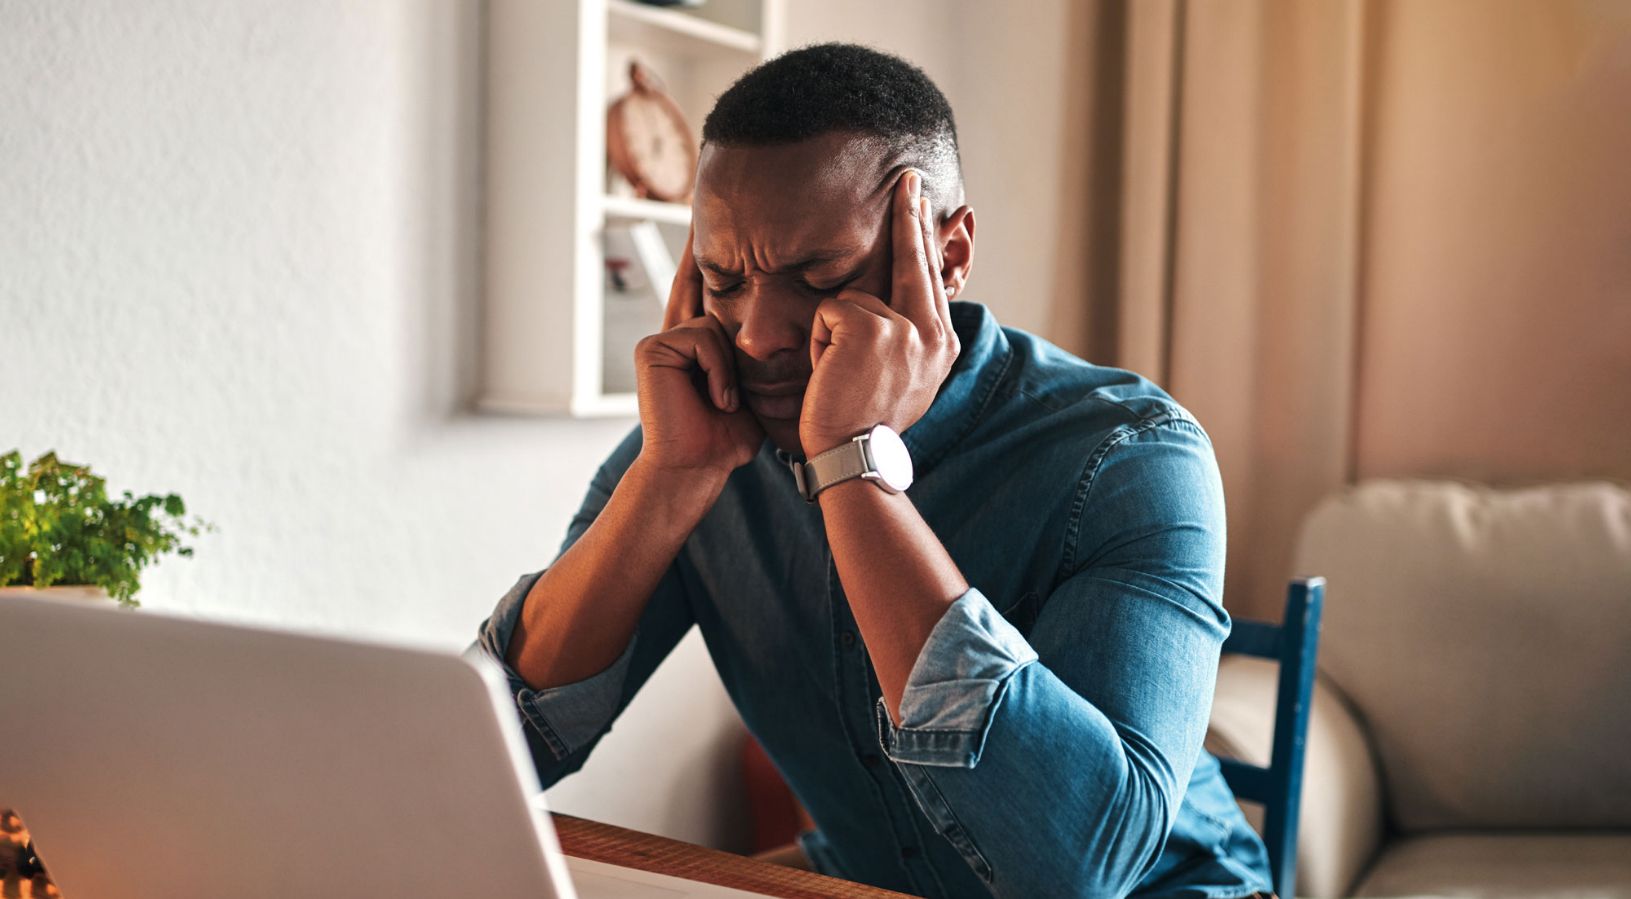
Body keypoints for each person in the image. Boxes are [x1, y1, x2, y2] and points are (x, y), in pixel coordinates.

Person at [477, 43, 1274, 899]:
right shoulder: (695, 448)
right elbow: (493, 755)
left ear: (949, 252)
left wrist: (849, 464)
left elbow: (1076, 871)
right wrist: (668, 480)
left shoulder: (1133, 454)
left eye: (818, 277)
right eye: (722, 279)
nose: (756, 334)